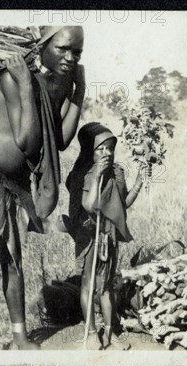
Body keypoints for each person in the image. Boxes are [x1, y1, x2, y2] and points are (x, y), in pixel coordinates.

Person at [0, 26, 86, 350]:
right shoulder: (16, 79)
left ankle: (20, 338)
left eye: (77, 53)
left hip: (16, 184)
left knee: (13, 263)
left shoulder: (58, 85)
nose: (70, 58)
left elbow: (58, 140)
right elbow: (27, 142)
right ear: (43, 46)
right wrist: (27, 85)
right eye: (63, 49)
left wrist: (79, 95)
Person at [65, 123, 144, 350]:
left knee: (106, 285)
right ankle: (90, 332)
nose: (107, 153)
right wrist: (96, 177)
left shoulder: (117, 173)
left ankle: (110, 333)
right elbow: (89, 206)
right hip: (90, 236)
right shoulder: (82, 174)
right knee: (89, 284)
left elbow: (123, 205)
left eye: (110, 148)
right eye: (101, 149)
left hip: (109, 237)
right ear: (89, 150)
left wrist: (139, 182)